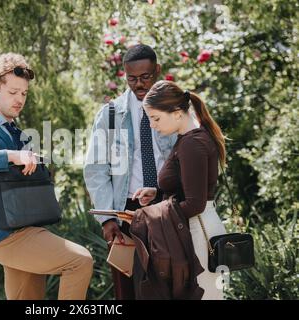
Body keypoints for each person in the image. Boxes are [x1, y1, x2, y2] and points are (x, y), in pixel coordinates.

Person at [0, 53, 93, 300]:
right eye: (13, 92)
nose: (19, 99)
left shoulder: (20, 134)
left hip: (30, 227)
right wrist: (9, 156)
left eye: (24, 94)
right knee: (79, 262)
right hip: (4, 235)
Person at [84, 45, 177, 299]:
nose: (139, 84)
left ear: (157, 70)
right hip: (125, 213)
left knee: (169, 285)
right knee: (128, 291)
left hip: (167, 206)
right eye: (132, 78)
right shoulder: (111, 114)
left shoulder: (174, 108)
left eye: (146, 77)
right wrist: (107, 219)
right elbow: (96, 169)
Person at [133, 80, 227, 299]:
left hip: (198, 233)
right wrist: (158, 192)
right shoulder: (187, 140)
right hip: (192, 230)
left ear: (176, 113)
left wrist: (148, 217)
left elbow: (195, 203)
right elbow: (190, 186)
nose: (153, 125)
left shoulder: (191, 144)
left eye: (155, 118)